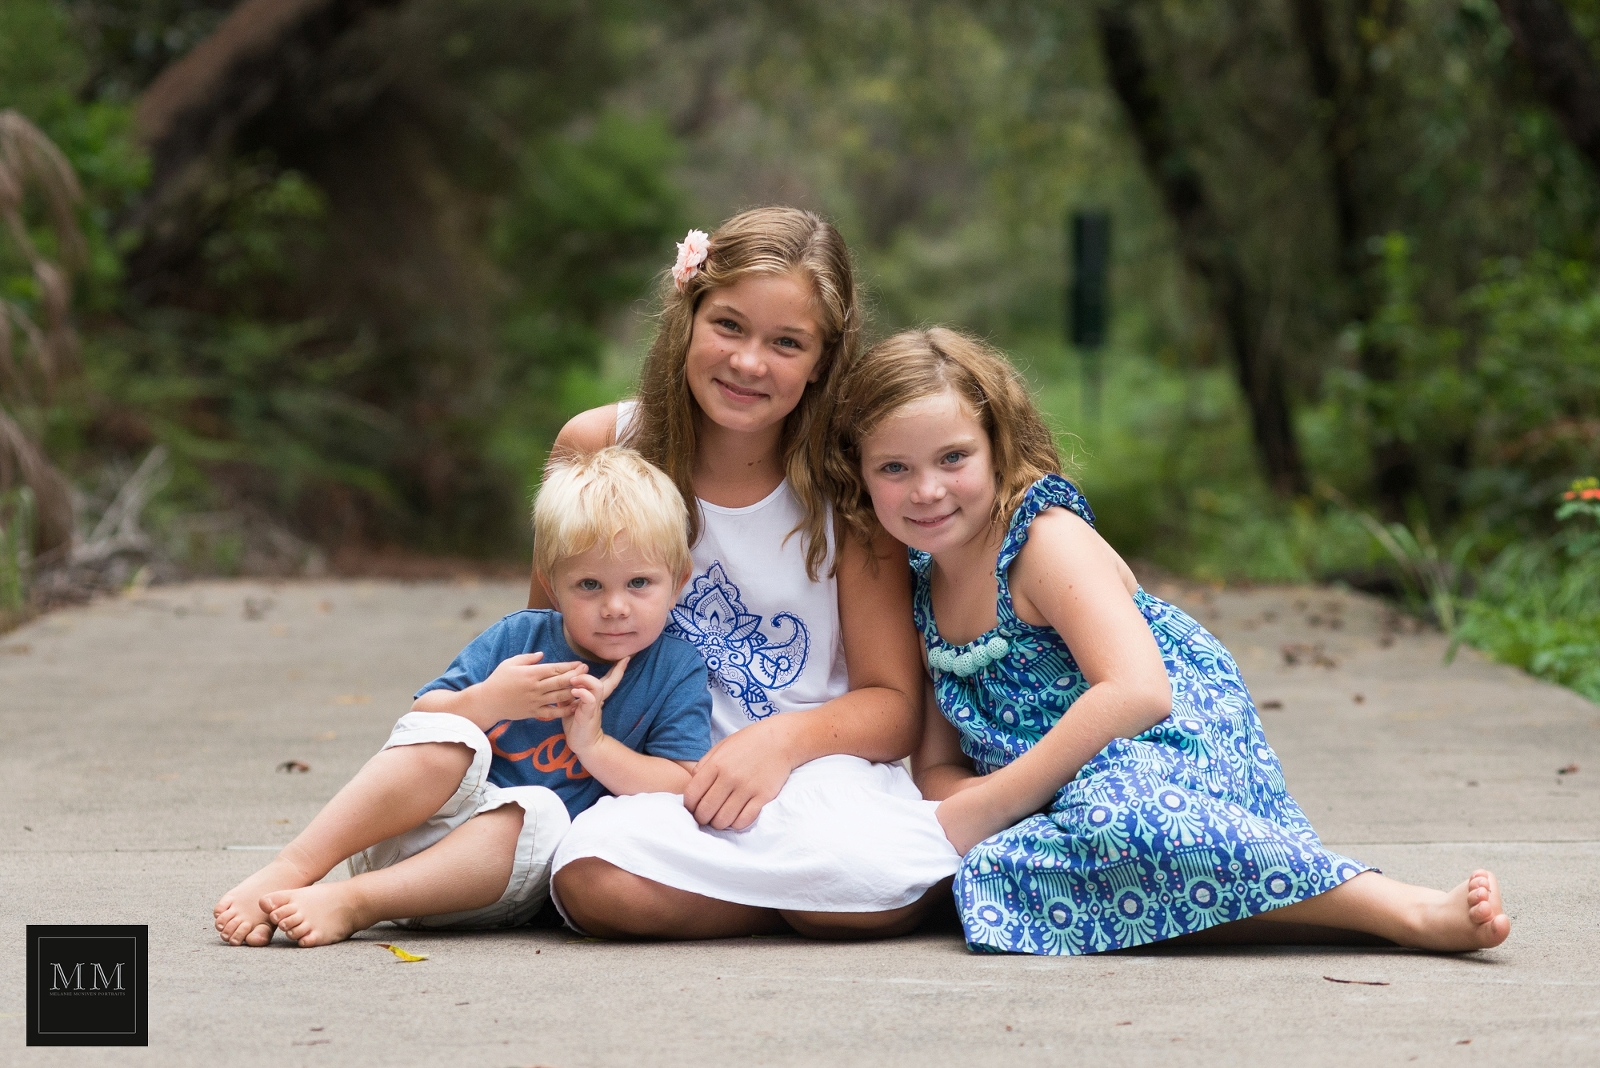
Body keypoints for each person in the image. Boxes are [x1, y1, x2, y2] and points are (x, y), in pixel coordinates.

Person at [827, 326, 1513, 955]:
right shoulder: (917, 584)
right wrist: (973, 801)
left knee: (1116, 824)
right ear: (860, 471)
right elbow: (940, 762)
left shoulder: (1040, 540)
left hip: (1163, 747)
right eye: (894, 469)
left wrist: (996, 801)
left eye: (953, 458)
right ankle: (1238, 896)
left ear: (996, 445)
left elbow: (1138, 691)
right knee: (996, 870)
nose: (927, 490)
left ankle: (1398, 908)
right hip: (1048, 788)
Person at [536, 208, 960, 939]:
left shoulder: (848, 482)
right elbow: (551, 643)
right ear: (688, 313)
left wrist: (779, 743)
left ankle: (814, 896)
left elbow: (892, 705)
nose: (749, 362)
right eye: (729, 325)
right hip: (662, 777)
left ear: (824, 359)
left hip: (818, 769)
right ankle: (800, 905)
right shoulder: (603, 445)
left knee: (868, 876)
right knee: (593, 881)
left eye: (787, 342)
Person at [212, 447, 713, 947]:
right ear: (552, 585)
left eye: (639, 583)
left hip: (494, 875)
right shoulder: (520, 639)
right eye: (589, 585)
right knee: (449, 732)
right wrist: (490, 701)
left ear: (678, 582)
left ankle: (356, 902)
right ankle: (294, 867)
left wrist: (595, 745)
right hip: (412, 833)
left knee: (541, 811)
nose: (615, 607)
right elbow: (419, 723)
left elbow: (679, 784)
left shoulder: (674, 670)